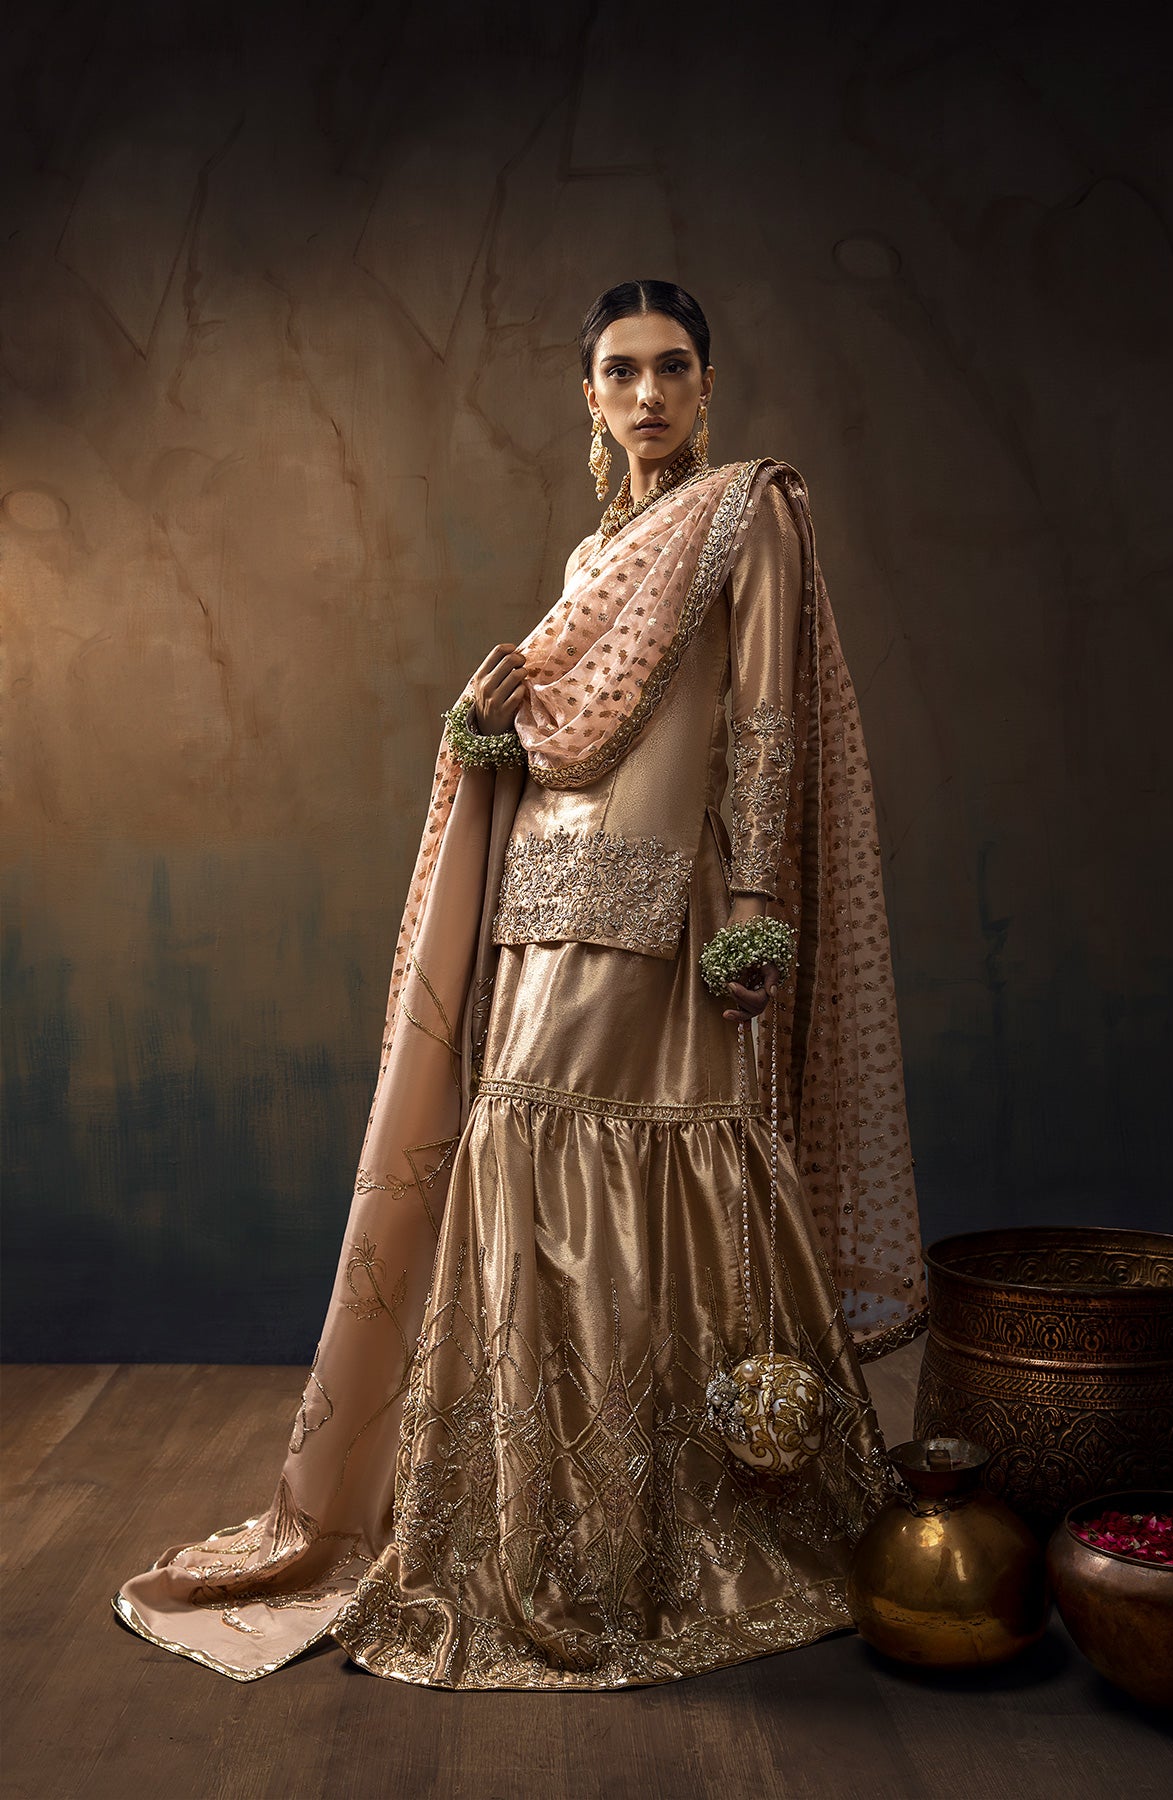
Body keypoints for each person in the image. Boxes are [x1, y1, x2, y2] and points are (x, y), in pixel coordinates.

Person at [114, 280, 926, 1687]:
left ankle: (660, 1528)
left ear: (711, 386)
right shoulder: (592, 547)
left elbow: (770, 713)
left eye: (674, 367)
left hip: (667, 904)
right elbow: (566, 738)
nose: (651, 394)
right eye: (622, 371)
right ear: (590, 396)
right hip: (540, 895)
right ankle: (523, 1528)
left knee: (631, 1166)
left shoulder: (751, 510)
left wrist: (751, 907)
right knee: (514, 1162)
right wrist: (488, 724)